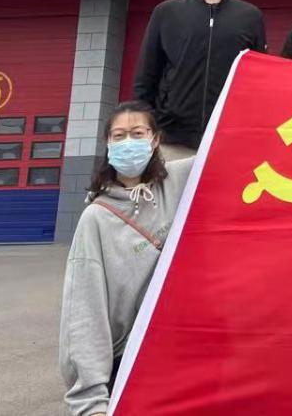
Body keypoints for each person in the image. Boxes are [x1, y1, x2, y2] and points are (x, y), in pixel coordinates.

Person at [60, 101, 194, 416]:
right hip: (130, 363)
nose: (128, 143)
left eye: (137, 133)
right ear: (107, 144)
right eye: (119, 136)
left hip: (180, 353)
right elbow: (85, 311)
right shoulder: (95, 219)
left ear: (155, 139)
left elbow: (227, 148)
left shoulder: (176, 182)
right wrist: (91, 402)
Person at [133, 0, 267, 160]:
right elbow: (146, 77)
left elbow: (258, 81)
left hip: (229, 140)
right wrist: (144, 128)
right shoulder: (167, 12)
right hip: (173, 140)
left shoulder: (250, 16)